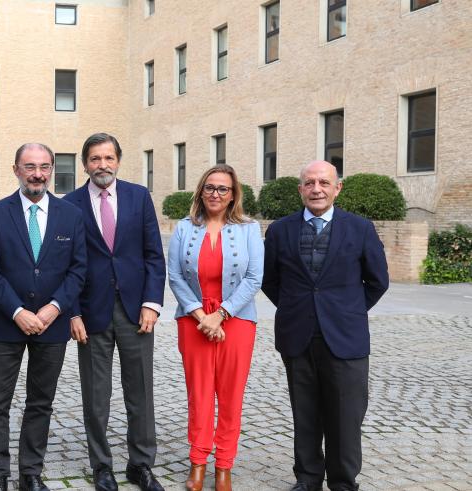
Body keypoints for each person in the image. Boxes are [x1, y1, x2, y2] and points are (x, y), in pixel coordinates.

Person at [262, 160, 389, 491]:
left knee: (345, 417)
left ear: (337, 188)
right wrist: (298, 308)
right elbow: (270, 281)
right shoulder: (280, 230)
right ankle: (307, 478)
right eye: (309, 183)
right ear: (300, 189)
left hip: (345, 337)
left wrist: (347, 311)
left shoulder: (360, 228)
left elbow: (378, 281)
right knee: (305, 413)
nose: (316, 189)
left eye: (323, 182)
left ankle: (343, 482)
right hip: (298, 334)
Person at [0, 143, 87, 491]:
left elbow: (78, 270)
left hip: (52, 326)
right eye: (29, 167)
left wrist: (54, 307)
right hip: (5, 324)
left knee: (40, 402)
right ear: (15, 170)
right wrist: (17, 311)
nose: (37, 174)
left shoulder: (70, 215)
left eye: (43, 167)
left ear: (51, 169)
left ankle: (30, 473)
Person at [63, 133, 166, 491]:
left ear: (118, 161)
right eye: (95, 159)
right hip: (91, 315)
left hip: (137, 312)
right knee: (96, 396)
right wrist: (72, 313)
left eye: (108, 158)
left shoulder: (139, 196)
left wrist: (152, 304)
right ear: (85, 164)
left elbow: (154, 254)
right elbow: (66, 265)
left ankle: (141, 465)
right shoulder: (70, 204)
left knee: (140, 392)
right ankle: (102, 465)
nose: (102, 165)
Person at [167, 165, 263, 491]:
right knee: (200, 394)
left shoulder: (250, 229)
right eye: (210, 187)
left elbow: (254, 279)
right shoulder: (184, 228)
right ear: (200, 191)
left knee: (231, 395)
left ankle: (224, 465)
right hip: (193, 320)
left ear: (233, 194)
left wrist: (220, 315)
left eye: (223, 189)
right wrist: (201, 317)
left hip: (236, 320)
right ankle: (197, 462)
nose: (215, 194)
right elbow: (176, 277)